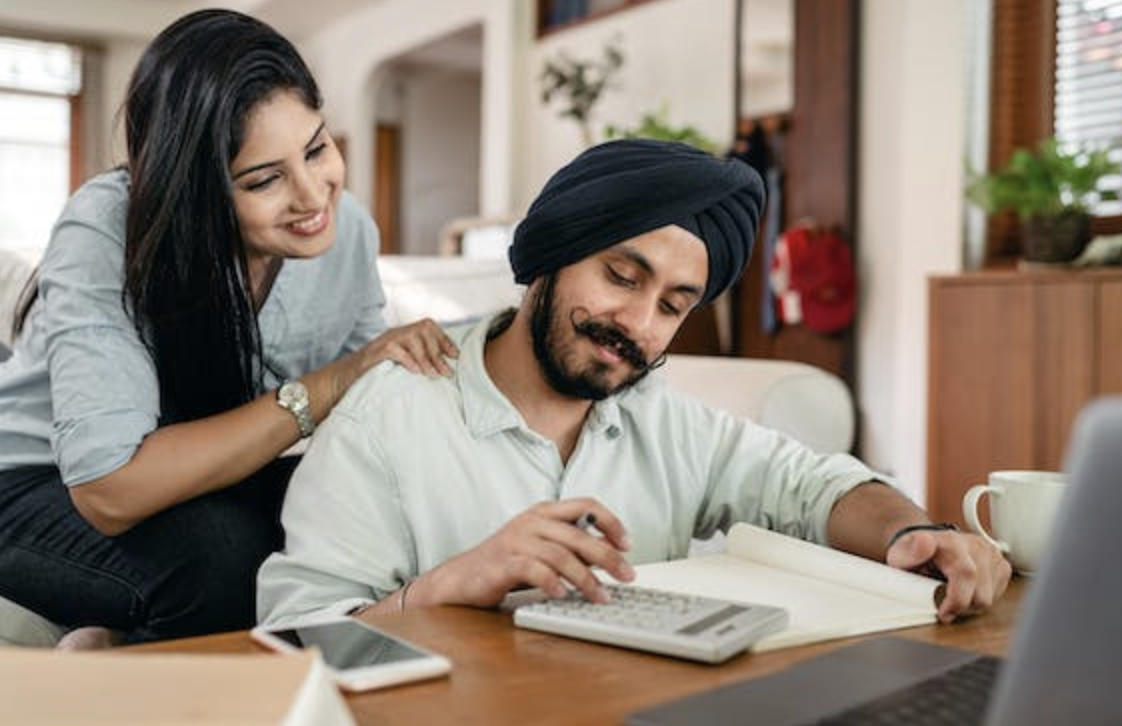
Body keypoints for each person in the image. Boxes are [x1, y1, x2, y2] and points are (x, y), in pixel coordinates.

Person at [257, 139, 1010, 629]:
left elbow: (813, 487)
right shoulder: (388, 415)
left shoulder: (665, 421)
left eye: (674, 306)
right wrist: (452, 582)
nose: (639, 324)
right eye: (622, 275)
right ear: (552, 254)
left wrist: (917, 533)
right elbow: (296, 639)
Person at [0, 9, 457, 646]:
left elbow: (363, 415)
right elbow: (111, 490)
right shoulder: (107, 226)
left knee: (362, 521)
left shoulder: (346, 230)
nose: (312, 197)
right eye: (264, 180)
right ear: (194, 191)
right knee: (222, 557)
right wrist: (326, 386)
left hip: (204, 473)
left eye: (317, 148)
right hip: (30, 480)